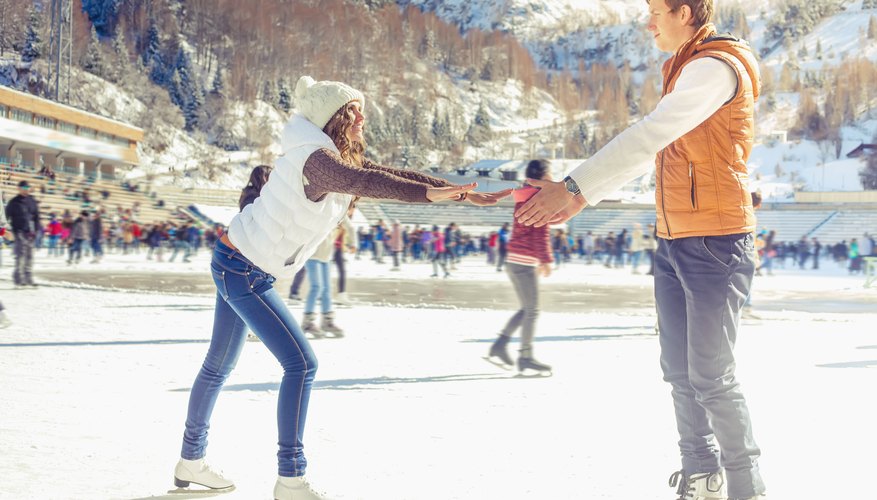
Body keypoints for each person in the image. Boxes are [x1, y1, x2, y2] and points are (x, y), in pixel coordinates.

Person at [175, 75, 510, 500]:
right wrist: (431, 195)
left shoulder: (331, 158)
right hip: (243, 267)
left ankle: (190, 460)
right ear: (332, 118)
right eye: (353, 110)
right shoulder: (316, 161)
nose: (361, 117)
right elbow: (370, 184)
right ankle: (290, 479)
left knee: (220, 366)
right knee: (301, 365)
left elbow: (386, 173)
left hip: (237, 260)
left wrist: (460, 195)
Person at [513, 1, 766, 498]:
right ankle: (702, 473)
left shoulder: (714, 67)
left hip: (716, 239)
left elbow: (649, 134)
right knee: (679, 370)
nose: (646, 22)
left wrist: (574, 185)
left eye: (655, 10)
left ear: (686, 12)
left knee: (712, 375)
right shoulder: (687, 68)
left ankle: (745, 487)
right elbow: (654, 149)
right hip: (675, 238)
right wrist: (584, 194)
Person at [487, 160, 554, 374]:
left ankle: (500, 344)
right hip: (524, 262)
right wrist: (545, 260)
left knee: (527, 309)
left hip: (514, 260)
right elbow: (540, 232)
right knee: (532, 311)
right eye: (550, 174)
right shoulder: (539, 199)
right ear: (541, 177)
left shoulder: (523, 196)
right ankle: (525, 356)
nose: (552, 177)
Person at [5, 180, 41, 287]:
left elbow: (36, 217)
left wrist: (36, 230)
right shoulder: (13, 202)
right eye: (23, 188)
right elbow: (6, 218)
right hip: (18, 231)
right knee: (20, 255)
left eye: (27, 188)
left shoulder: (32, 201)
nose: (25, 190)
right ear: (19, 189)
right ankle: (18, 280)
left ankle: (28, 279)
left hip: (30, 232)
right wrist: (8, 230)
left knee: (29, 256)